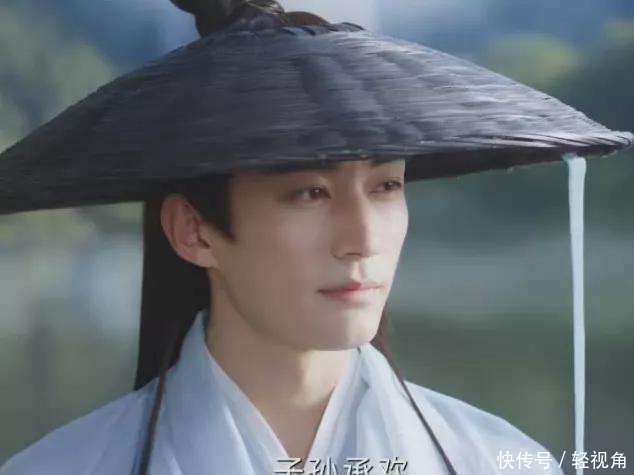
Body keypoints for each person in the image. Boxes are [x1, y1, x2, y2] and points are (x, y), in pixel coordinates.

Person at [0, 0, 630, 474]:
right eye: (310, 193)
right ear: (194, 231)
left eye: (386, 186)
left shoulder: (498, 459)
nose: (362, 240)